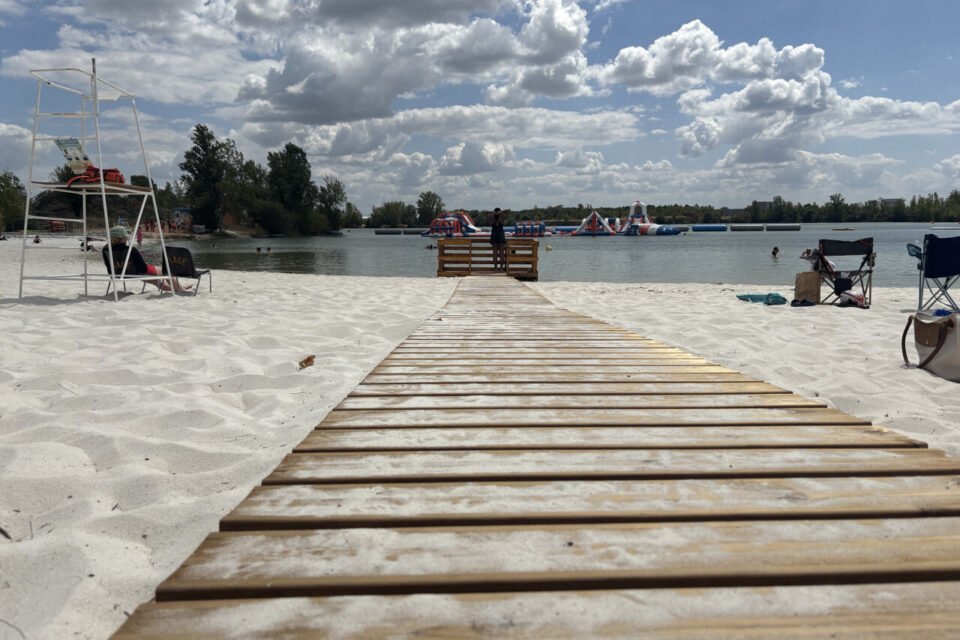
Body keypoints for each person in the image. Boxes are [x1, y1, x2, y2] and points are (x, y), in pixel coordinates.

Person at [102, 226, 191, 292]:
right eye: (125, 237)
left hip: (118, 274)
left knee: (157, 281)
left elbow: (109, 267)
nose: (127, 238)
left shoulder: (105, 249)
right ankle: (181, 290)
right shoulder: (130, 250)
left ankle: (178, 288)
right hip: (137, 273)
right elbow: (143, 268)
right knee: (165, 270)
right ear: (121, 238)